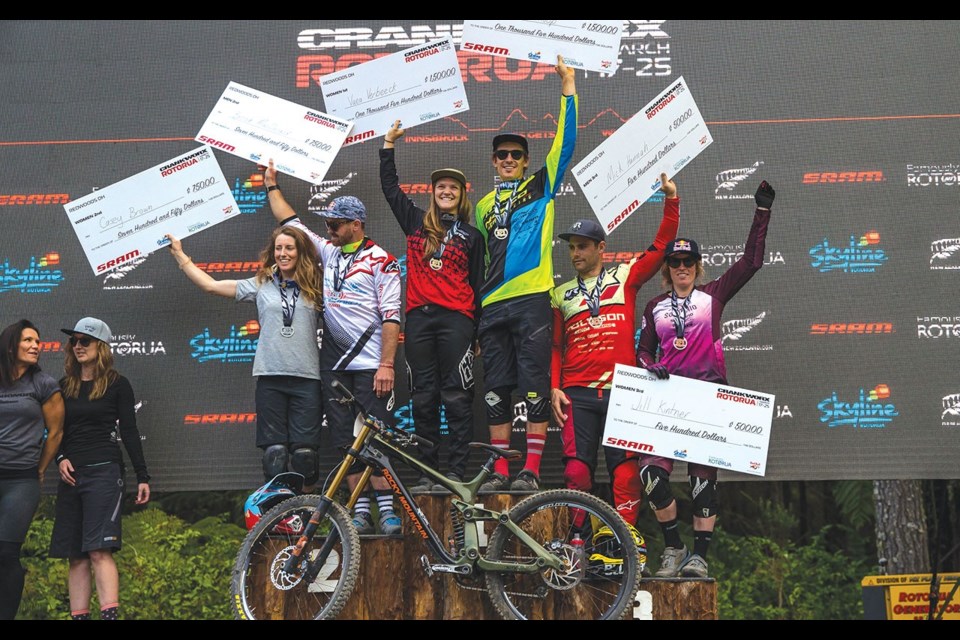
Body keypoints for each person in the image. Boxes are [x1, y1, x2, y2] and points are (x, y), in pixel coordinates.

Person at [636, 180, 776, 579]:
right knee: (651, 475)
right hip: (666, 399)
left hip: (707, 398)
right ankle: (674, 547)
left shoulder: (713, 296)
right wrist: (649, 365)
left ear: (698, 267)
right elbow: (643, 351)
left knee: (702, 482)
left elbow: (751, 262)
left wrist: (761, 211)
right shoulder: (654, 306)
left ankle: (699, 556)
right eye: (676, 263)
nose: (682, 268)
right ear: (668, 269)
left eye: (689, 263)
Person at [264, 163, 404, 536]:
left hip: (372, 364)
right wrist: (271, 186)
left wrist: (387, 364)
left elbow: (391, 317)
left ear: (356, 225)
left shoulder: (383, 261)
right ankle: (358, 509)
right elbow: (291, 222)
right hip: (335, 366)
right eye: (328, 224)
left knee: (371, 438)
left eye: (336, 224)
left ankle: (388, 510)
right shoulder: (328, 251)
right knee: (345, 440)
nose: (329, 230)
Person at [550, 173, 680, 554]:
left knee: (626, 472)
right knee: (576, 472)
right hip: (576, 392)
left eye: (582, 246)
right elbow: (556, 346)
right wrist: (553, 385)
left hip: (623, 389)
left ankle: (620, 539)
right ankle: (578, 539)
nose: (575, 253)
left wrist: (671, 200)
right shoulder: (560, 294)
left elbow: (660, 248)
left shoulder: (625, 277)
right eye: (572, 247)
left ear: (600, 248)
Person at [477, 54, 578, 493]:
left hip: (534, 298)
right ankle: (500, 472)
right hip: (492, 304)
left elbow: (567, 141)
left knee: (534, 389)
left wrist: (568, 86)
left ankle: (531, 470)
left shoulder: (542, 185)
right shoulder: (481, 206)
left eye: (517, 155)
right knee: (496, 392)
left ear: (525, 160)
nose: (510, 160)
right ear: (495, 160)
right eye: (503, 155)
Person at [165, 225, 324, 493]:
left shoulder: (317, 284)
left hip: (307, 378)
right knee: (274, 453)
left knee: (305, 457)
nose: (283, 253)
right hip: (270, 377)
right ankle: (279, 515)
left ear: (300, 252)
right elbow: (211, 286)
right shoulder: (261, 284)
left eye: (289, 248)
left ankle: (305, 514)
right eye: (278, 248)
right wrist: (180, 254)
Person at [380, 120, 485, 492]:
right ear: (433, 193)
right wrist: (388, 146)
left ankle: (455, 471)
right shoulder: (414, 225)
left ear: (460, 196)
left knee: (457, 396)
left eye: (452, 188)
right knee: (423, 397)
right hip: (419, 321)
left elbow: (477, 285)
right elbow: (391, 190)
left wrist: (476, 331)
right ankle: (427, 472)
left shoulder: (472, 236)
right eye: (440, 187)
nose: (446, 191)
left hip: (457, 320)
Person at [48, 317, 150, 620]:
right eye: (74, 341)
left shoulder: (118, 384)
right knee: (75, 556)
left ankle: (109, 616)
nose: (78, 346)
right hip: (71, 474)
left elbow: (130, 431)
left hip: (104, 471)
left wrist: (142, 475)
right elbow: (54, 430)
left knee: (98, 550)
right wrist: (59, 458)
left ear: (100, 347)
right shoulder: (63, 386)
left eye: (85, 341)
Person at [0, 319, 64, 620]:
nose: (35, 346)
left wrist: (39, 468)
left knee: (6, 554)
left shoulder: (44, 385)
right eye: (28, 340)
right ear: (11, 345)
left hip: (21, 481)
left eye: (37, 341)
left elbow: (55, 433)